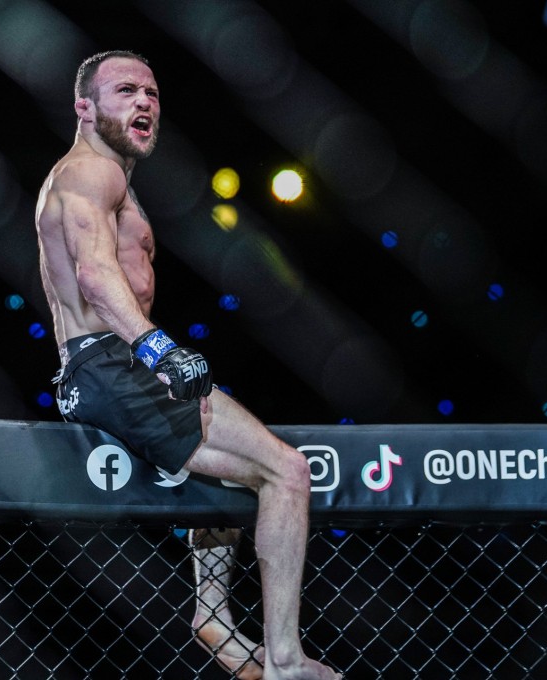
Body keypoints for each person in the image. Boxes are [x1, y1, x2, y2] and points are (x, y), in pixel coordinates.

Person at [35, 50, 340, 680]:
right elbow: (94, 275)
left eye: (151, 92)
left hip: (112, 364)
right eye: (125, 91)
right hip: (111, 363)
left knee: (235, 475)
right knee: (286, 472)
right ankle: (285, 661)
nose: (145, 102)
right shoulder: (89, 173)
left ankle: (212, 615)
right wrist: (158, 348)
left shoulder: (107, 175)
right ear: (84, 106)